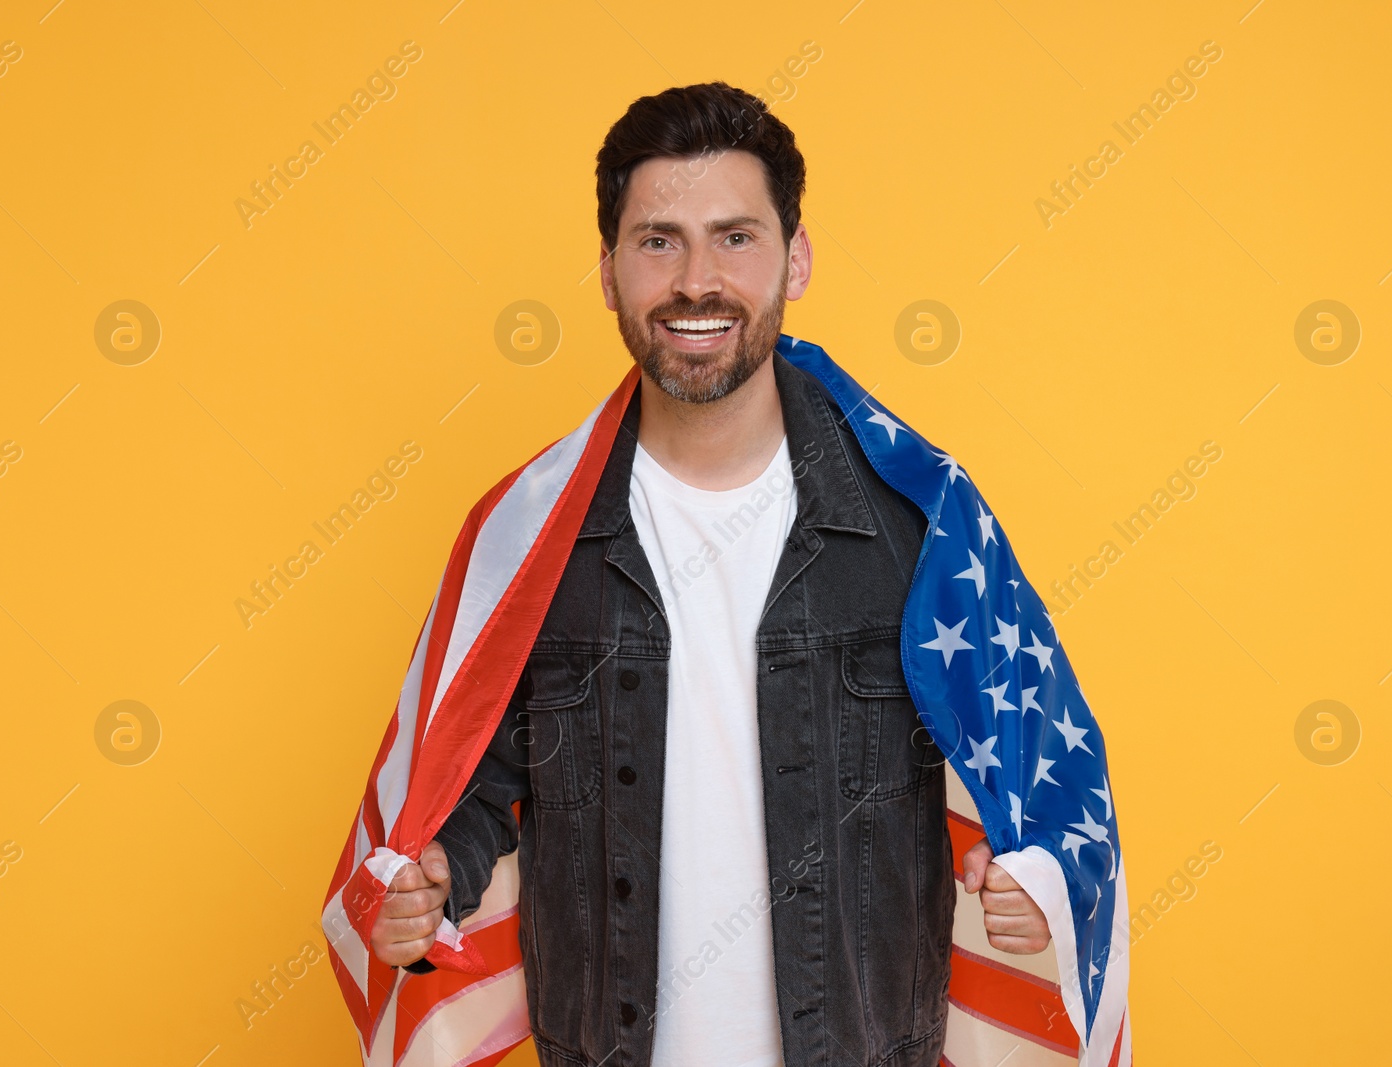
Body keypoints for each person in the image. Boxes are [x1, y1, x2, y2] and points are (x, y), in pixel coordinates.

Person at [367, 82, 1052, 1067]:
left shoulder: (920, 523)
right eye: (658, 240)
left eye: (735, 237)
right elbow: (472, 785)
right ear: (606, 271)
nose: (697, 279)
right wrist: (431, 877)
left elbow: (1017, 779)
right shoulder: (528, 533)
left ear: (796, 258)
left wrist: (1036, 878)